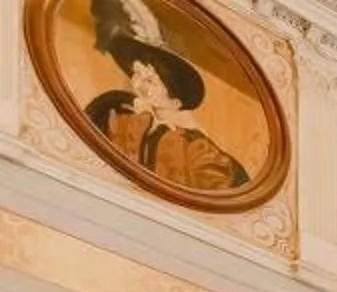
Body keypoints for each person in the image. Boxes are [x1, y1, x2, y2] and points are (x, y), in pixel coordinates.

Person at [83, 12, 250, 198]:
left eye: (151, 81)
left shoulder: (196, 148)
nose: (139, 84)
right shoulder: (121, 116)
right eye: (137, 73)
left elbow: (222, 194)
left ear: (175, 102)